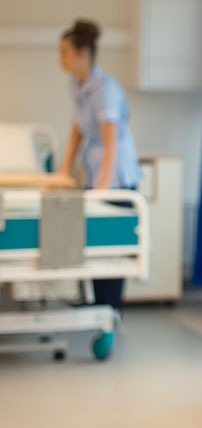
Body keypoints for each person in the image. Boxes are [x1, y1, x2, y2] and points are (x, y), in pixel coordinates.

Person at [58, 19, 142, 315]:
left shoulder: (105, 89)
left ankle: (110, 311)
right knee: (93, 244)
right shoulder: (77, 84)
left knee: (111, 247)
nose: (61, 58)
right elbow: (77, 129)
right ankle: (97, 306)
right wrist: (62, 171)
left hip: (116, 177)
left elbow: (111, 144)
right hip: (96, 174)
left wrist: (102, 190)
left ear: (83, 53)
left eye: (65, 52)